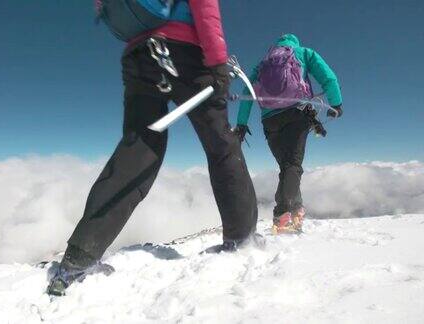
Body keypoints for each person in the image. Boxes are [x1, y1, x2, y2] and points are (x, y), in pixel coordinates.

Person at [47, 0, 258, 296]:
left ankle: (79, 257)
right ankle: (242, 239)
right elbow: (205, 7)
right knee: (221, 145)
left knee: (138, 149)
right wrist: (218, 65)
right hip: (186, 53)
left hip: (138, 56)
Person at [234, 34, 343, 234]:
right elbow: (328, 77)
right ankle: (283, 213)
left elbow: (247, 92)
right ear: (295, 43)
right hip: (297, 113)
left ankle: (295, 209)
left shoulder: (262, 64)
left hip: (270, 121)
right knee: (293, 165)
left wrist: (241, 124)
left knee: (287, 167)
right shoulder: (303, 53)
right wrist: (336, 103)